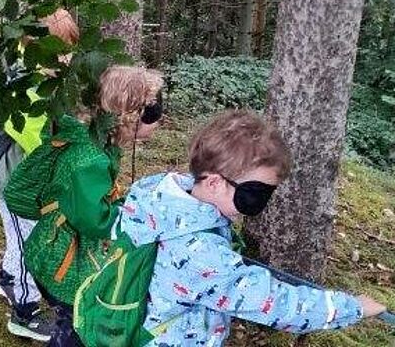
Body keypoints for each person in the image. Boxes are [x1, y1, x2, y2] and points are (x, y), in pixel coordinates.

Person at [112, 110, 387, 346]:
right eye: (255, 193)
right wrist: (354, 308)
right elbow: (274, 303)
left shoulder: (158, 196)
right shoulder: (202, 256)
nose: (262, 203)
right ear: (214, 183)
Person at [18, 66, 164, 347]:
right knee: (76, 324)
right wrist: (132, 212)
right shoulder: (90, 159)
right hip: (61, 259)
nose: (156, 124)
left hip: (63, 246)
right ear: (129, 115)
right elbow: (95, 220)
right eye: (152, 117)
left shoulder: (99, 141)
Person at [0, 9, 80, 342]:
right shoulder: (23, 81)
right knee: (28, 245)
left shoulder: (48, 77)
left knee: (23, 240)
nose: (68, 56)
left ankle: (7, 278)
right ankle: (24, 313)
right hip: (17, 185)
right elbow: (35, 136)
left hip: (34, 183)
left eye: (70, 47)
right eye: (61, 48)